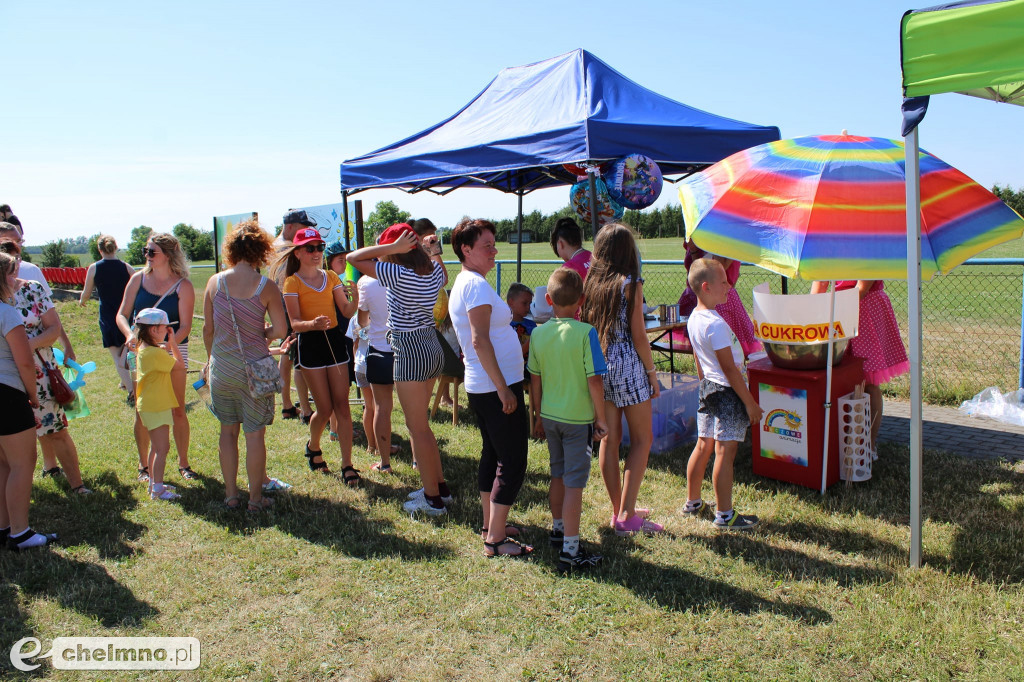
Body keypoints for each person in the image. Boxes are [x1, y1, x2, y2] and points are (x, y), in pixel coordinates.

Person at [348, 223, 451, 516]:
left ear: (400, 250)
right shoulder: (431, 271)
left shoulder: (397, 273)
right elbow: (442, 274)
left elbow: (355, 258)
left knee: (416, 427)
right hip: (431, 346)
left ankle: (432, 499)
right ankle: (440, 487)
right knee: (423, 427)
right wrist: (427, 249)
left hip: (409, 351)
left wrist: (392, 247)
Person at [448, 218, 533, 555]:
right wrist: (504, 389)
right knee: (513, 461)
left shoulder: (472, 282)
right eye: (487, 245)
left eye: (494, 243)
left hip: (485, 384)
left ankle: (490, 524)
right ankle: (495, 540)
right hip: (492, 387)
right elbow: (480, 341)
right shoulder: (475, 285)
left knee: (494, 455)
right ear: (466, 250)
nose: (494, 249)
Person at [581, 222, 663, 536]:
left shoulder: (591, 284)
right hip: (628, 365)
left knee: (609, 441)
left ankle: (620, 511)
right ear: (628, 251)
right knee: (643, 440)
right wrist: (652, 375)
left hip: (600, 365)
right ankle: (627, 516)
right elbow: (639, 335)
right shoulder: (631, 283)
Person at [202, 220, 290, 511]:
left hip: (221, 369)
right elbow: (280, 330)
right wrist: (261, 332)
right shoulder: (265, 287)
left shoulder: (215, 282)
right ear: (261, 251)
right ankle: (255, 499)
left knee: (227, 431)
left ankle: (230, 496)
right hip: (254, 370)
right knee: (254, 436)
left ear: (231, 250)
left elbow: (208, 330)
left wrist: (212, 360)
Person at [528, 267, 608, 572]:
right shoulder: (586, 333)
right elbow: (595, 381)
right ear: (582, 301)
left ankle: (559, 529)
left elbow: (534, 380)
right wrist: (600, 419)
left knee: (558, 475)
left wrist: (535, 416)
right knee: (575, 484)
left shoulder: (538, 333)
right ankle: (571, 551)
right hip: (578, 421)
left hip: (549, 417)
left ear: (547, 300)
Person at [0, 236, 91, 494]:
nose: (14, 263)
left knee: (56, 430)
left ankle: (77, 485)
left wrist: (26, 345)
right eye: (7, 258)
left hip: (40, 372)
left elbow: (54, 329)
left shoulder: (33, 289)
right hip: (7, 377)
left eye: (15, 256)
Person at [683, 258, 763, 530]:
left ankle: (693, 502)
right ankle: (725, 515)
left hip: (709, 389)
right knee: (724, 453)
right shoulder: (715, 324)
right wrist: (750, 403)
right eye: (724, 282)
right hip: (728, 393)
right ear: (706, 287)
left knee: (703, 445)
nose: (729, 285)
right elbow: (729, 369)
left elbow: (698, 356)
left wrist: (704, 383)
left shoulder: (694, 318)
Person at [276, 228, 359, 482]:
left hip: (334, 342)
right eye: (310, 248)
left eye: (319, 247)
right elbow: (295, 323)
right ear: (298, 252)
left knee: (342, 406)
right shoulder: (293, 281)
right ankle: (313, 447)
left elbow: (345, 311)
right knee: (323, 409)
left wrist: (354, 299)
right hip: (310, 344)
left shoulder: (331, 276)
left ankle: (347, 465)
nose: (316, 253)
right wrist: (313, 323)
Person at [116, 232, 196, 483]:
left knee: (178, 409)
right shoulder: (137, 279)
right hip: (140, 351)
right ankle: (144, 466)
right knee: (143, 410)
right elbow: (121, 315)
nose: (147, 256)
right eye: (146, 251)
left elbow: (185, 326)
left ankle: (184, 463)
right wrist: (130, 335)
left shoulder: (183, 285)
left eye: (152, 252)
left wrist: (168, 344)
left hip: (173, 349)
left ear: (169, 255)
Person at [810, 279, 909, 454]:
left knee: (869, 382)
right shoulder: (828, 251)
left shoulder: (868, 251)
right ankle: (844, 440)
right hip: (839, 308)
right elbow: (819, 284)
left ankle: (868, 445)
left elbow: (862, 289)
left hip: (866, 309)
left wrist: (835, 311)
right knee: (841, 378)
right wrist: (812, 314)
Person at [0, 251, 57, 550]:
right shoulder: (7, 312)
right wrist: (32, 397)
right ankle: (20, 533)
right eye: (12, 273)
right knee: (23, 463)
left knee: (3, 464)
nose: (18, 279)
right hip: (8, 394)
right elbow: (24, 362)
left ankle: (4, 526)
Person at [356, 252, 401, 471]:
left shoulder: (366, 281)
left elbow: (361, 319)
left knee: (381, 408)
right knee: (415, 411)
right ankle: (416, 460)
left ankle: (384, 463)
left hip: (380, 351)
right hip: (406, 351)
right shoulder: (409, 275)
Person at [678, 242, 761, 357]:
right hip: (696, 296)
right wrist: (693, 249)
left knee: (726, 348)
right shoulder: (694, 237)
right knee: (701, 348)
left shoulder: (724, 236)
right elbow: (696, 271)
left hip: (719, 298)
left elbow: (719, 267)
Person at [133, 308, 182, 501]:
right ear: (154, 330)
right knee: (162, 448)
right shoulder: (154, 353)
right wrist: (174, 343)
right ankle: (158, 490)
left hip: (150, 405)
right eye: (165, 328)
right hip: (156, 406)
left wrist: (167, 345)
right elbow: (179, 365)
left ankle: (155, 483)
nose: (167, 331)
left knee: (156, 447)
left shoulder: (145, 350)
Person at [274, 210, 316, 422]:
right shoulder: (287, 248)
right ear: (289, 226)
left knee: (287, 355)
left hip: (281, 307)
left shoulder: (275, 245)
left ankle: (287, 405)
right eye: (303, 227)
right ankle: (305, 408)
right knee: (299, 357)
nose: (306, 231)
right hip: (291, 306)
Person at [79, 234, 136, 392]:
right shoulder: (126, 266)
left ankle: (131, 389)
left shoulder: (95, 267)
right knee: (127, 353)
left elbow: (87, 292)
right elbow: (140, 283)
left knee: (117, 355)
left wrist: (82, 301)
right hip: (126, 314)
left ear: (99, 250)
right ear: (115, 247)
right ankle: (125, 382)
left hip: (108, 315)